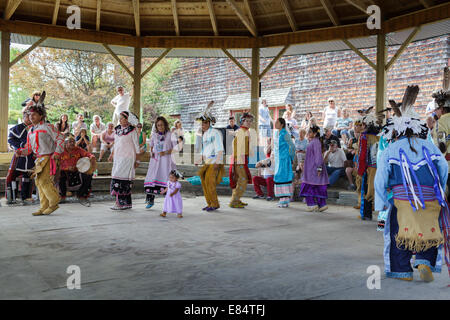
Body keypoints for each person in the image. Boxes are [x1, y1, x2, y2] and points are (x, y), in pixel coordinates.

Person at [375, 85, 450, 282]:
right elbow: (443, 168)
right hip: (430, 198)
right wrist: (438, 190)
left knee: (400, 232)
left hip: (402, 199)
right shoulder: (428, 146)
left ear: (397, 130)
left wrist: (383, 201)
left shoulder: (392, 149)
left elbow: (380, 179)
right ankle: (424, 260)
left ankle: (402, 270)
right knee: (429, 228)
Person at [16, 102, 65, 216]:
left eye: (34, 115)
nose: (31, 117)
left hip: (49, 157)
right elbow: (29, 148)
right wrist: (21, 152)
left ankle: (54, 201)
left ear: (41, 116)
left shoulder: (48, 127)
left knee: (44, 181)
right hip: (38, 159)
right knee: (39, 182)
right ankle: (44, 207)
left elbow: (61, 138)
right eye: (29, 115)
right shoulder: (30, 131)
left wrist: (57, 152)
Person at [195, 101, 225, 212]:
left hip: (214, 161)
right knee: (204, 181)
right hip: (207, 161)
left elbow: (220, 148)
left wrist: (218, 161)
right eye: (201, 124)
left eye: (204, 124)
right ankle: (210, 203)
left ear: (209, 123)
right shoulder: (205, 134)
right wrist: (200, 159)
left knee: (210, 181)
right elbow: (205, 150)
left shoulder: (215, 133)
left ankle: (215, 203)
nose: (202, 126)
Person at [108, 111, 140, 210]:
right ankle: (126, 203)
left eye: (122, 118)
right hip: (118, 157)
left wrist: (137, 160)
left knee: (122, 178)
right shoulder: (117, 129)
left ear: (127, 119)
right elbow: (116, 143)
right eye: (119, 118)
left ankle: (120, 203)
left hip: (128, 158)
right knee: (118, 176)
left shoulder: (132, 130)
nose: (120, 120)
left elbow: (136, 145)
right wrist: (112, 154)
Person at [144, 116, 177, 209]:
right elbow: (151, 146)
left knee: (166, 179)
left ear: (165, 125)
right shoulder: (154, 135)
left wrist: (165, 152)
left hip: (166, 161)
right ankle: (150, 199)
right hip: (155, 161)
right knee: (152, 178)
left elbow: (175, 149)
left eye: (162, 125)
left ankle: (171, 203)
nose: (160, 127)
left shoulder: (171, 135)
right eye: (158, 125)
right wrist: (152, 153)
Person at [354, 107, 381, 220]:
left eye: (363, 124)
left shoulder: (364, 137)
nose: (361, 126)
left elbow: (362, 154)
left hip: (368, 168)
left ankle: (366, 214)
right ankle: (373, 214)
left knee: (366, 190)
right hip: (377, 167)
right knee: (373, 189)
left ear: (366, 125)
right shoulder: (378, 136)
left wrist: (360, 170)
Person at [6, 107, 34, 205]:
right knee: (11, 176)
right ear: (23, 118)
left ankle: (26, 196)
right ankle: (11, 196)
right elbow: (10, 140)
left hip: (31, 157)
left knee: (28, 177)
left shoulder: (35, 128)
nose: (29, 119)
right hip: (19, 156)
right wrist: (21, 145)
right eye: (27, 117)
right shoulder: (17, 128)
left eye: (30, 117)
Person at [59, 136, 96, 207]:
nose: (72, 143)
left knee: (88, 175)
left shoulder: (78, 149)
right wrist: (67, 168)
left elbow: (87, 154)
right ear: (66, 143)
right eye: (70, 142)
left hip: (77, 170)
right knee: (61, 175)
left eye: (73, 142)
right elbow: (57, 164)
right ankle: (62, 197)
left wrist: (91, 156)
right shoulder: (61, 151)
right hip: (64, 170)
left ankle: (81, 195)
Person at [299, 125, 329, 212]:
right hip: (311, 167)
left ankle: (312, 204)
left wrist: (319, 168)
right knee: (316, 186)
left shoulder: (315, 142)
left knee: (308, 185)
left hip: (313, 169)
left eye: (310, 132)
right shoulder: (314, 141)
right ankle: (321, 204)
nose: (308, 133)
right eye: (308, 132)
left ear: (315, 133)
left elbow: (318, 156)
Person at [229, 113, 254, 208]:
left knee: (240, 180)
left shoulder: (245, 131)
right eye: (246, 121)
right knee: (242, 180)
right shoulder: (241, 131)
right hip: (239, 159)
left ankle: (237, 199)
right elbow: (236, 146)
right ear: (242, 121)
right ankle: (234, 201)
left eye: (250, 121)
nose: (249, 123)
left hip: (241, 159)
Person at [431, 89, 450, 202]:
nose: (435, 112)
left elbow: (440, 147)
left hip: (447, 168)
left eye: (436, 109)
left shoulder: (441, 122)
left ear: (442, 108)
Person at [273, 118, 296, 208]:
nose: (275, 123)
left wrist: (290, 157)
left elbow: (292, 146)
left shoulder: (285, 133)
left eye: (277, 122)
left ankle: (285, 200)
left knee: (283, 177)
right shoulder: (276, 133)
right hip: (278, 159)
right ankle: (282, 199)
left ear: (282, 124)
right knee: (279, 177)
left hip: (284, 159)